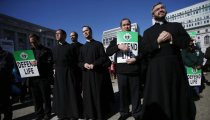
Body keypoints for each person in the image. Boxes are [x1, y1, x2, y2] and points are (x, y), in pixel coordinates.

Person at [140, 2, 196, 120]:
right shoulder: (147, 32)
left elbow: (187, 42)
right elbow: (144, 50)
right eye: (157, 9)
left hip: (175, 68)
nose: (161, 10)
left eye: (162, 8)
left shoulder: (176, 26)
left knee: (178, 97)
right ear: (152, 14)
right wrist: (157, 42)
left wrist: (172, 38)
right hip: (156, 71)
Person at [106, 18, 142, 120]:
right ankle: (124, 113)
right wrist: (118, 47)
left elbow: (144, 51)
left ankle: (137, 112)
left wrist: (136, 58)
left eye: (128, 24)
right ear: (121, 27)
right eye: (124, 25)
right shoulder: (116, 39)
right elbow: (108, 52)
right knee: (123, 94)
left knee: (135, 93)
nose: (127, 26)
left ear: (131, 26)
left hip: (134, 69)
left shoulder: (137, 37)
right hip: (121, 71)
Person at [79, 26, 114, 120]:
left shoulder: (98, 44)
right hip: (86, 76)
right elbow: (79, 62)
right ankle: (90, 114)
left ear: (90, 31)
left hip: (97, 74)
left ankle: (100, 114)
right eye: (83, 31)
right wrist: (84, 64)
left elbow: (103, 57)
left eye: (86, 30)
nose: (85, 32)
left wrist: (94, 64)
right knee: (88, 96)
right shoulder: (82, 48)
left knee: (98, 95)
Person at [52, 29, 83, 120]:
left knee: (71, 93)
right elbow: (53, 62)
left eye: (59, 34)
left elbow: (76, 61)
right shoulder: (54, 48)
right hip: (58, 74)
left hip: (69, 73)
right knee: (61, 94)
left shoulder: (70, 47)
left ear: (64, 36)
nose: (57, 35)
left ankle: (73, 114)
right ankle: (62, 113)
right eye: (56, 34)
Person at [28, 33, 53, 120]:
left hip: (43, 78)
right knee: (36, 98)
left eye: (34, 42)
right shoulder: (29, 52)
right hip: (33, 78)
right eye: (31, 42)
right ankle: (39, 114)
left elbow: (50, 64)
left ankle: (47, 113)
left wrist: (40, 63)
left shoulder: (46, 50)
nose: (33, 44)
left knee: (46, 97)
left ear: (38, 40)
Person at [0, 46, 14, 120]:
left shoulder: (7, 55)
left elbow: (8, 68)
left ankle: (7, 118)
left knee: (6, 103)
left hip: (4, 83)